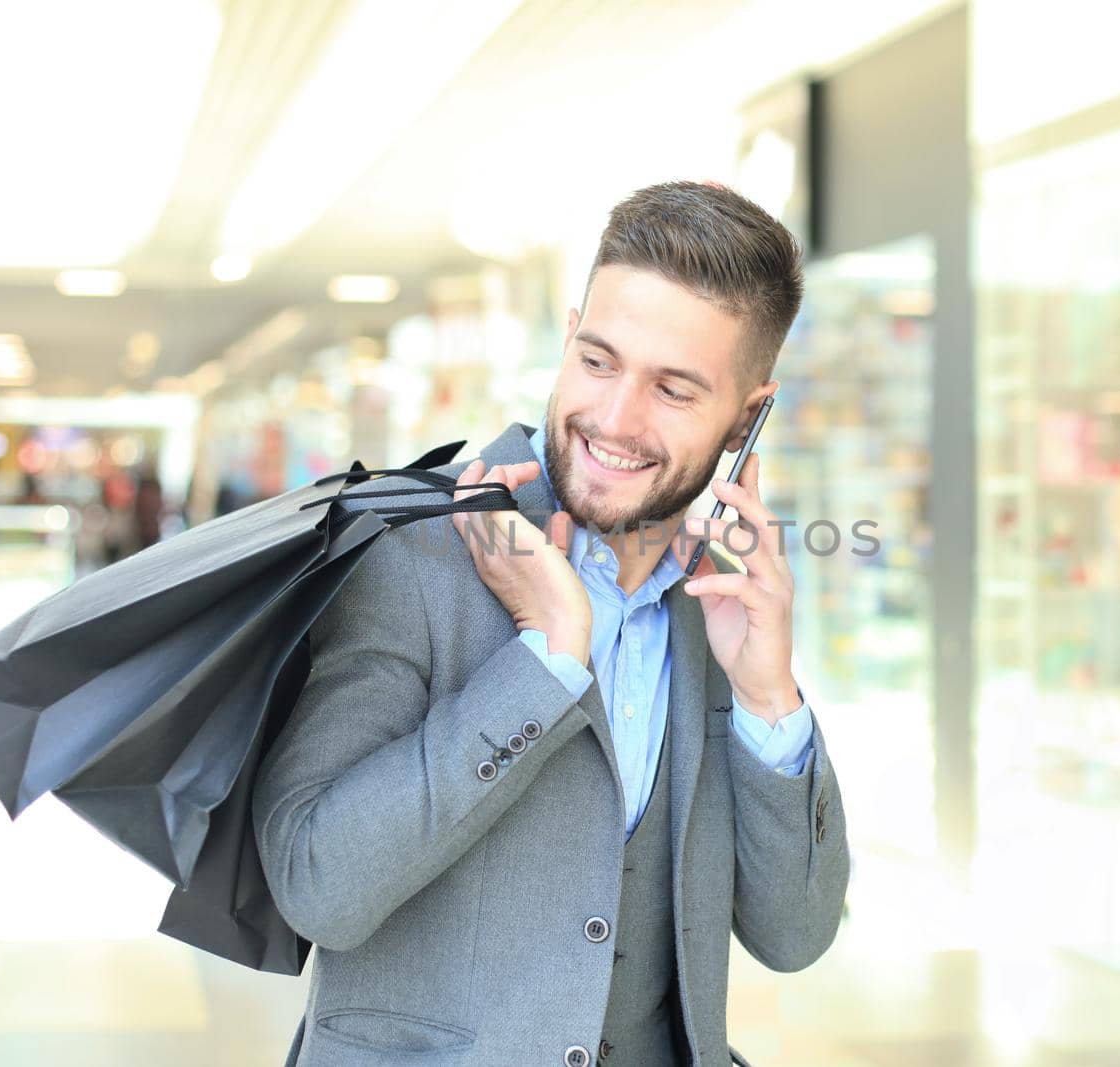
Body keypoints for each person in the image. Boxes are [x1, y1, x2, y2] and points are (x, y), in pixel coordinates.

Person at [254, 181, 850, 1067]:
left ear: (750, 415)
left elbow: (794, 936)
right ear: (569, 334)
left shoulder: (718, 601)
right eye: (599, 360)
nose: (614, 418)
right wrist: (546, 659)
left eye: (675, 390)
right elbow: (317, 884)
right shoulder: (412, 550)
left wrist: (768, 697)